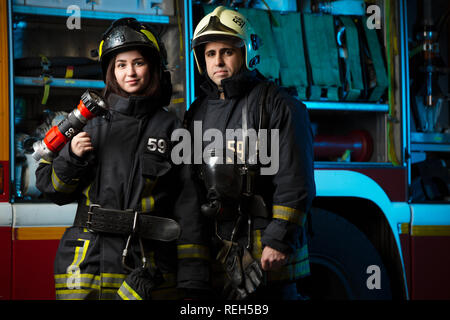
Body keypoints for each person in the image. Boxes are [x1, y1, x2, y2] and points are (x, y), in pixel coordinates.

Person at [36, 18, 209, 300]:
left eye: (138, 63)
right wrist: (71, 157)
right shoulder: (85, 122)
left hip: (145, 266)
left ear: (152, 67)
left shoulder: (174, 130)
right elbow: (49, 187)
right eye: (121, 64)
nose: (130, 72)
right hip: (84, 265)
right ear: (110, 72)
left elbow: (188, 207)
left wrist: (193, 278)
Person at [185, 6, 316, 300]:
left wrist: (279, 240)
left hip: (266, 253)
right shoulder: (196, 113)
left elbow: (295, 180)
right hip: (220, 251)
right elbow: (191, 186)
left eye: (227, 52)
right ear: (200, 59)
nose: (218, 61)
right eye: (209, 53)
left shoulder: (278, 104)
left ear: (247, 52)